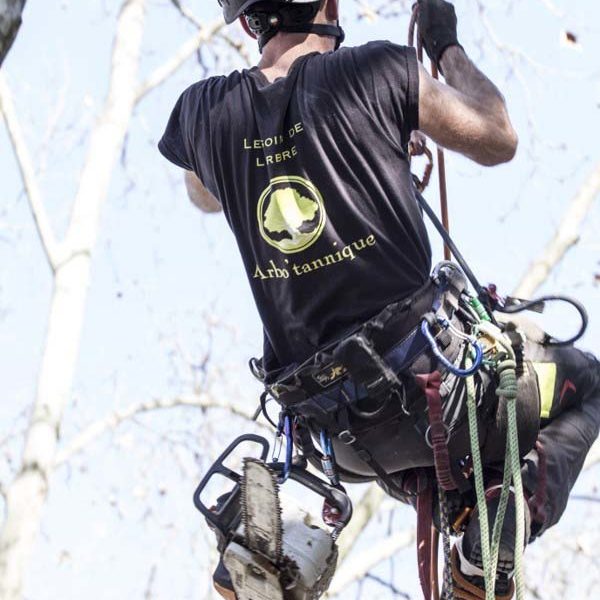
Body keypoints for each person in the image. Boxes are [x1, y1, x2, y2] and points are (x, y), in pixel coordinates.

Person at [158, 1, 600, 598]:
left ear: (245, 20)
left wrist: (276, 152)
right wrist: (443, 47)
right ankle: (495, 538)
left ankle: (284, 540)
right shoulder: (378, 73)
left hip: (343, 443)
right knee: (589, 384)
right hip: (435, 395)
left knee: (459, 471)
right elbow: (498, 137)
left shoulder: (203, 112)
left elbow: (203, 194)